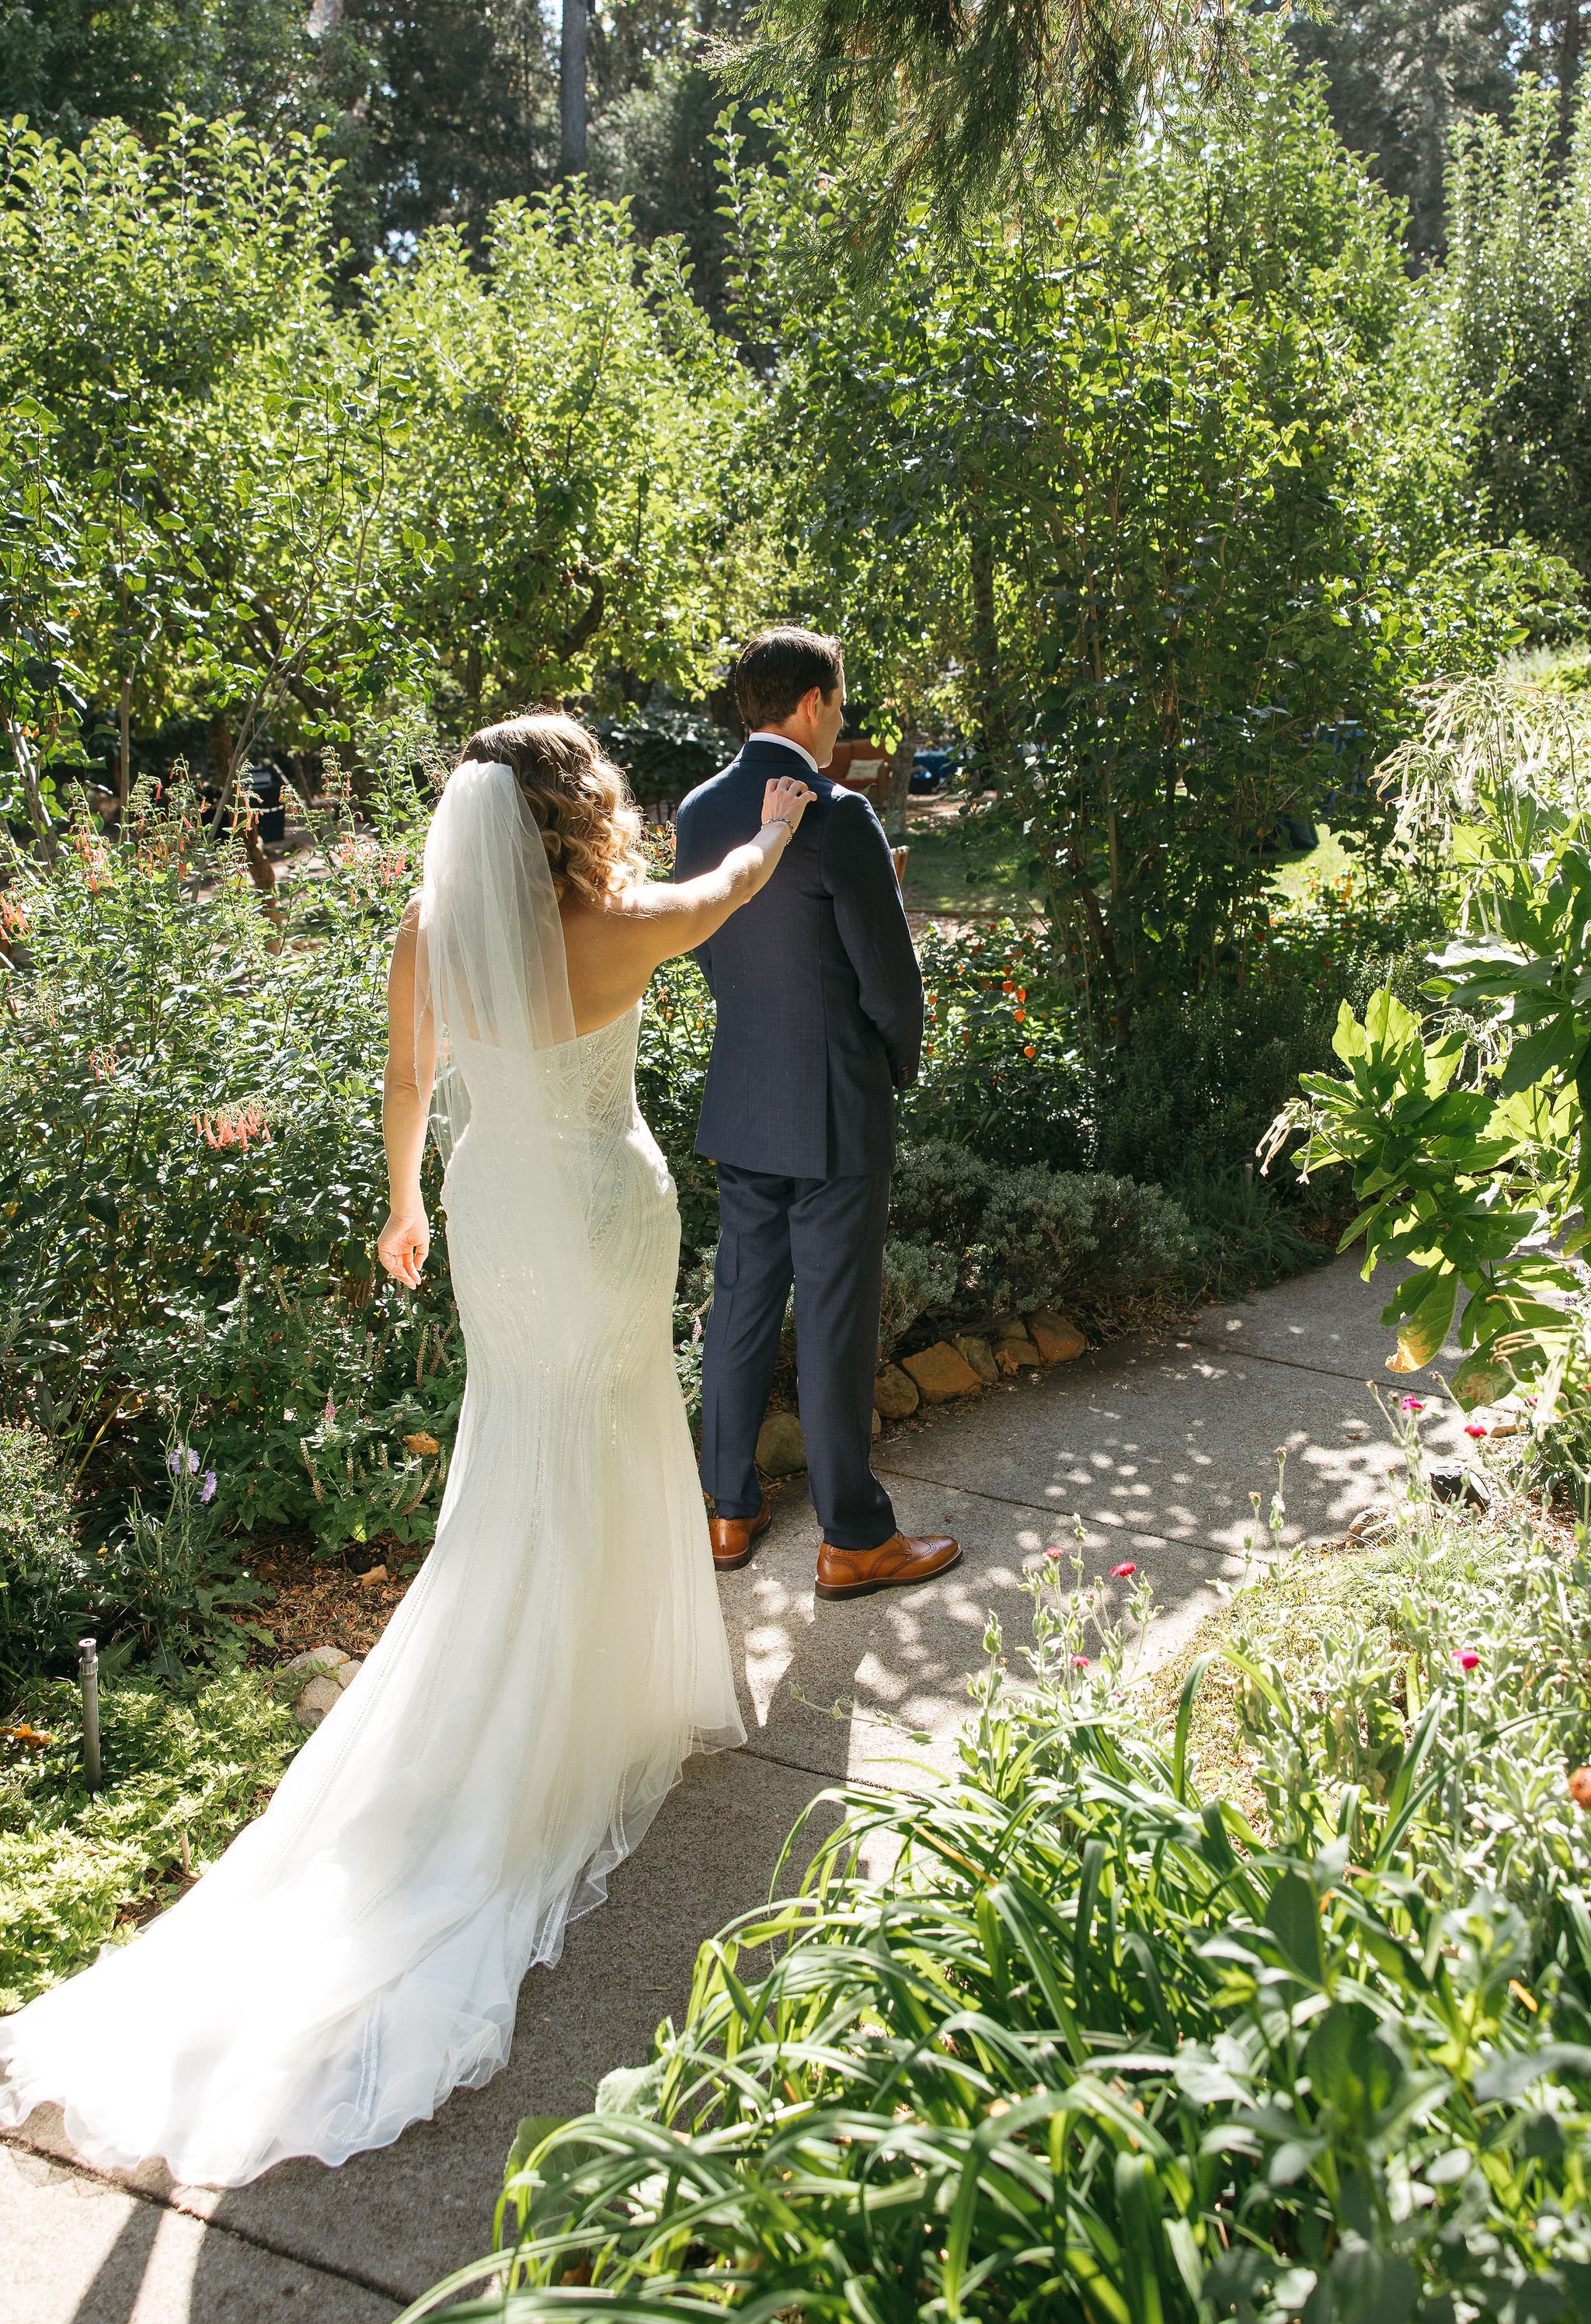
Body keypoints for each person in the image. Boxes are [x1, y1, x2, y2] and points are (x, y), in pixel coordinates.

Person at [0, 714, 813, 2187]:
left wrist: (405, 1207)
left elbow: (404, 1082)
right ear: (574, 812)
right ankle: (586, 1700)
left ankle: (538, 1691)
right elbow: (734, 891)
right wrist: (773, 824)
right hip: (603, 1207)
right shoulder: (618, 924)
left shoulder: (431, 927)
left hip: (497, 1212)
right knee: (612, 1425)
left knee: (517, 1458)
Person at [674, 628, 962, 1599]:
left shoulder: (701, 809)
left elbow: (706, 944)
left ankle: (725, 1509)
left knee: (742, 1305)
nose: (843, 716)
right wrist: (892, 1064)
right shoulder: (838, 815)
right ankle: (851, 1536)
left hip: (745, 1095)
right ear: (805, 703)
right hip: (837, 1102)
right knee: (835, 1319)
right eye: (837, 699)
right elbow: (889, 979)